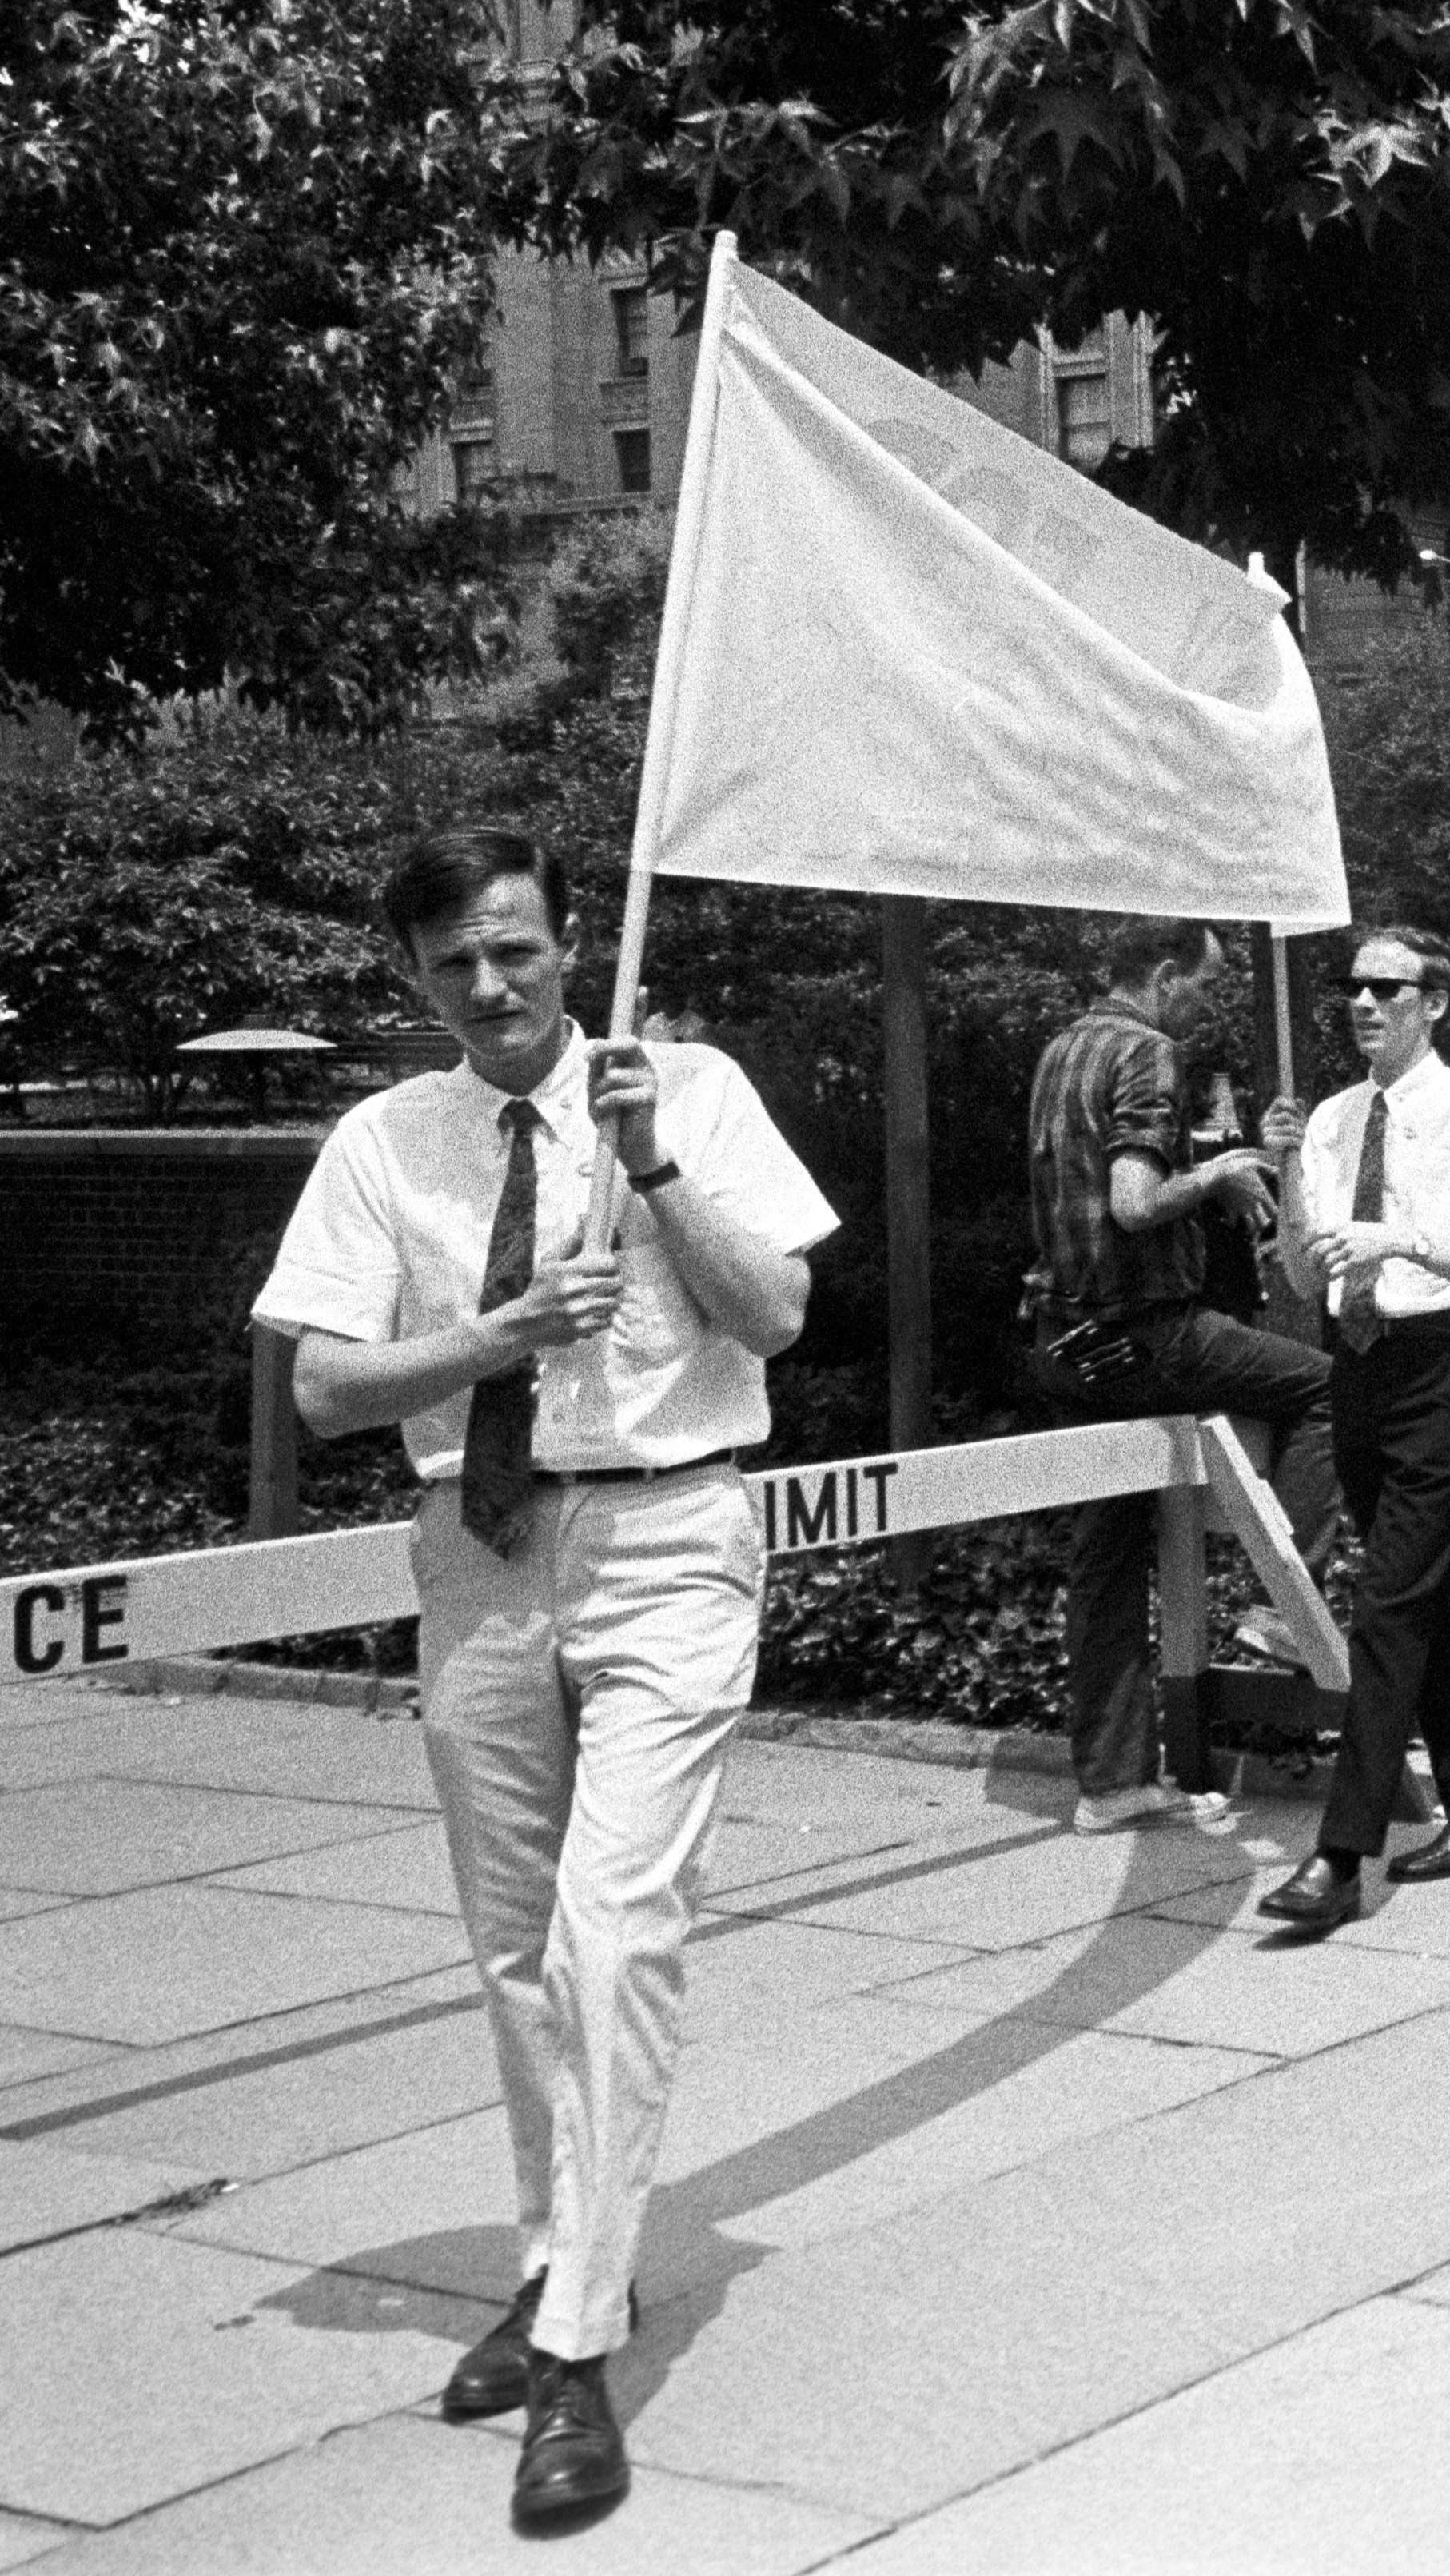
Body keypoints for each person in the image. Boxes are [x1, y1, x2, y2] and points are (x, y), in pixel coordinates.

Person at [254, 828, 838, 2532]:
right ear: (414, 981)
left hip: (669, 1537)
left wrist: (653, 1170)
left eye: (514, 948)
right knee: (516, 1948)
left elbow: (781, 1315)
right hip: (481, 1549)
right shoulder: (384, 1139)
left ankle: (578, 2343)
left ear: (569, 943)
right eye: (454, 964)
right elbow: (328, 1392)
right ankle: (552, 2253)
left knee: (617, 1926)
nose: (493, 985)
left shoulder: (693, 1087)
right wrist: (498, 1336)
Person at [1252, 928, 1450, 1937]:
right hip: (1360, 1369)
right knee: (1424, 1597)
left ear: (1436, 1003)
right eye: (1353, 986)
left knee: (1384, 1602)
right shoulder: (1333, 1120)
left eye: (1388, 987)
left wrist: (1405, 1238)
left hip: (1443, 1371)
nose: (1363, 1002)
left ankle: (1341, 1855)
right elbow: (1303, 1276)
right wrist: (1288, 1166)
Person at [1021, 916, 1334, 1835]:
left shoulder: (1061, 1050)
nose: (1208, 1002)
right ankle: (1287, 1601)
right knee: (1331, 1389)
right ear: (1163, 977)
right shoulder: (1149, 1050)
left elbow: (1085, 1183)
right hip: (1145, 1331)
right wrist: (1220, 1174)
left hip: (1061, 1337)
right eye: (1203, 983)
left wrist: (1199, 1162)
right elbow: (1132, 1200)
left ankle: (1113, 1782)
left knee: (1107, 1552)